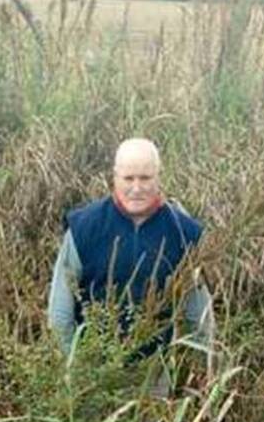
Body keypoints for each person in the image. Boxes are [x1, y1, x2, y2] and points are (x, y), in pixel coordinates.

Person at [47, 138, 213, 379]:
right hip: (92, 371)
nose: (137, 188)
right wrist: (75, 369)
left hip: (154, 374)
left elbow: (199, 315)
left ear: (158, 176)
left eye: (145, 178)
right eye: (128, 178)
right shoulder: (84, 228)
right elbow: (60, 311)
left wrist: (201, 376)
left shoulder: (184, 233)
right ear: (115, 177)